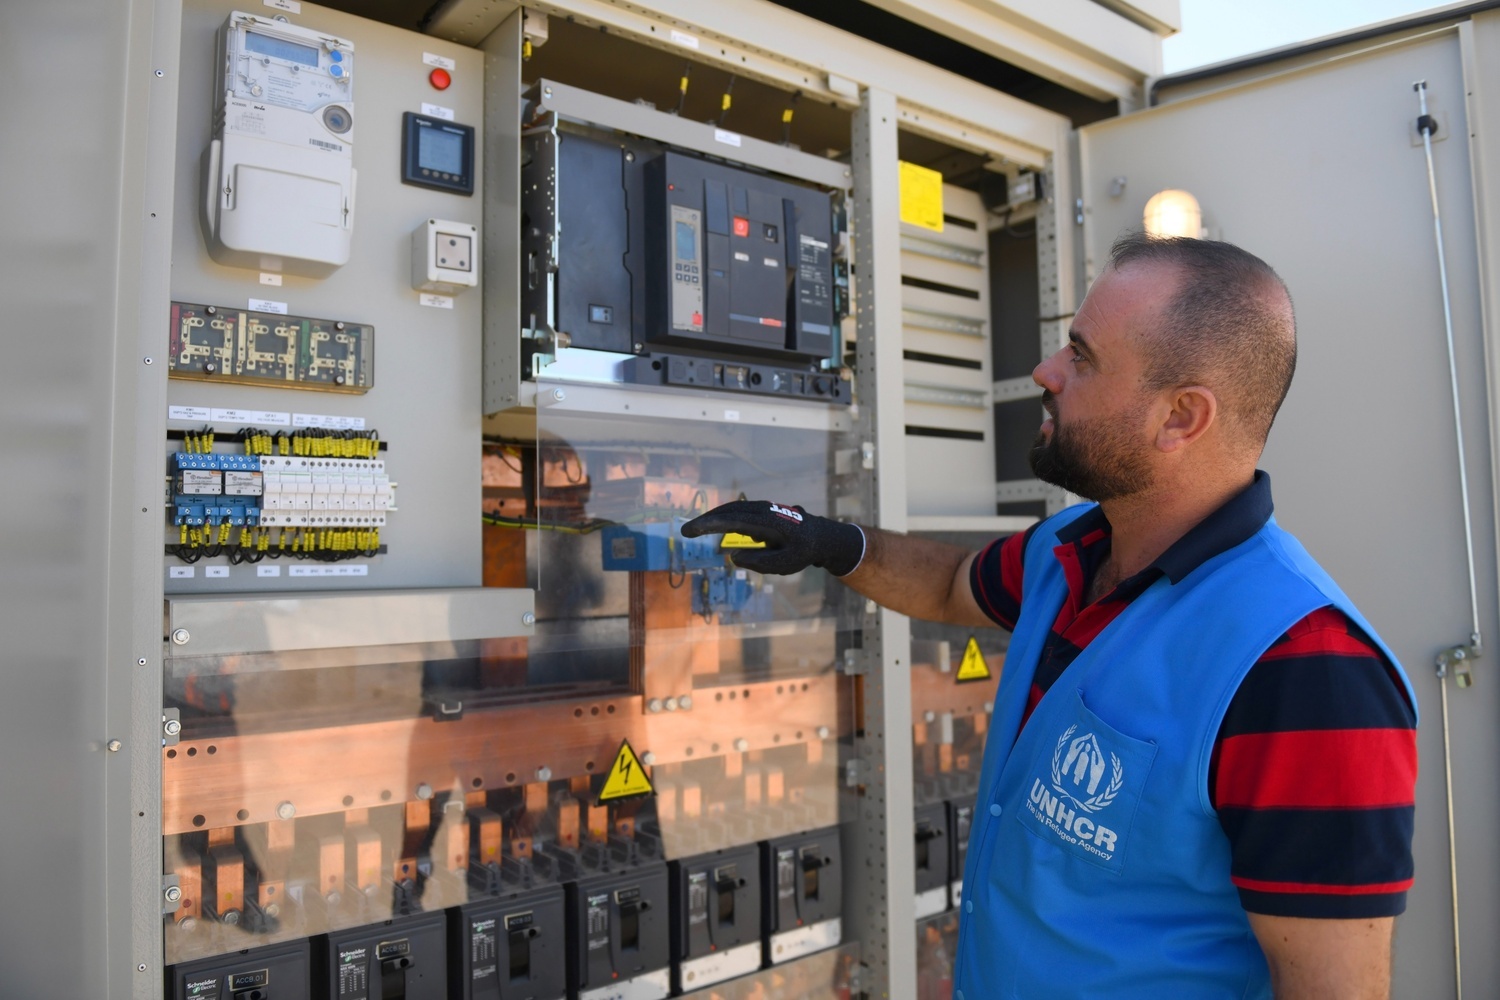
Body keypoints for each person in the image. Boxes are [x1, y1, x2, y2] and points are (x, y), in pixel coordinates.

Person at [682, 233, 1418, 999]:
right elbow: (949, 586)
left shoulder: (1307, 668)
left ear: (1180, 417)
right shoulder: (1068, 551)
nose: (1045, 373)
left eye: (1082, 356)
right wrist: (830, 542)